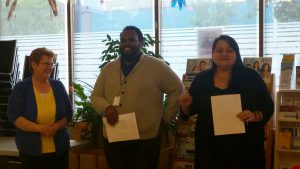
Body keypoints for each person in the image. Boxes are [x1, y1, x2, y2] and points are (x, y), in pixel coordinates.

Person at [91, 25, 184, 169]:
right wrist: (106, 108)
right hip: (114, 138)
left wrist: (166, 119)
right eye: (123, 40)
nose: (126, 43)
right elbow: (96, 96)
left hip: (145, 139)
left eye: (131, 40)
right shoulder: (108, 69)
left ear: (140, 42)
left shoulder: (157, 66)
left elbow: (178, 89)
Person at [179, 35, 274, 169]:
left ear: (236, 53)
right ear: (213, 54)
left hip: (245, 147)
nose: (224, 54)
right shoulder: (202, 79)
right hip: (209, 147)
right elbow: (190, 111)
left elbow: (267, 107)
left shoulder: (251, 76)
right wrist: (185, 106)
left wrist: (253, 115)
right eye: (219, 50)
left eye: (229, 50)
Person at [7, 47, 73, 169]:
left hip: (59, 149)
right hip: (31, 151)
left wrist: (55, 127)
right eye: (46, 63)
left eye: (52, 63)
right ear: (34, 64)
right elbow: (14, 116)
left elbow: (69, 113)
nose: (50, 67)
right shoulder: (21, 88)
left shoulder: (58, 86)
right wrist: (40, 128)